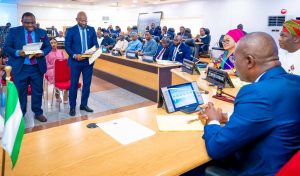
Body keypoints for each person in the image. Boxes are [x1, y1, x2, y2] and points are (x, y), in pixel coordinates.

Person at [199, 32, 300, 176]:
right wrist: (229, 118)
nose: (234, 63)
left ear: (249, 61)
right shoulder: (296, 81)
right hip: (284, 165)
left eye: (235, 59)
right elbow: (275, 117)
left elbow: (216, 148)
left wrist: (212, 120)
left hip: (256, 169)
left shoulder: (256, 93)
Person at [4, 12, 51, 122]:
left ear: (35, 22)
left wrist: (43, 52)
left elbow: (48, 46)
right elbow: (6, 47)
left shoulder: (42, 32)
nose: (30, 25)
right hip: (21, 68)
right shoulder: (14, 31)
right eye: (27, 22)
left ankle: (38, 112)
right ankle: (21, 113)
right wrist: (17, 52)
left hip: (36, 67)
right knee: (21, 92)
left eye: (32, 22)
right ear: (22, 21)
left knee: (37, 91)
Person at [64, 11, 99, 116]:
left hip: (88, 62)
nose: (84, 22)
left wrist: (96, 49)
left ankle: (84, 104)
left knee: (87, 85)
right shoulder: (71, 30)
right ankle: (72, 107)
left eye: (86, 20)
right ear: (77, 20)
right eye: (82, 20)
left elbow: (95, 44)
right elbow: (67, 46)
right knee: (73, 85)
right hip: (75, 62)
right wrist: (74, 55)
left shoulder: (91, 29)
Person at [45, 38, 68, 103]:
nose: (53, 44)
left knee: (68, 74)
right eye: (51, 43)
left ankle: (66, 94)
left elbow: (65, 62)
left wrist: (61, 66)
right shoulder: (47, 54)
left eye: (54, 42)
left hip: (62, 70)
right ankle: (57, 95)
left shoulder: (61, 52)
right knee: (55, 73)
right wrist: (56, 65)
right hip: (51, 70)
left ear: (57, 44)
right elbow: (47, 66)